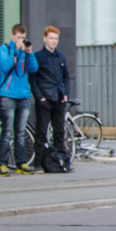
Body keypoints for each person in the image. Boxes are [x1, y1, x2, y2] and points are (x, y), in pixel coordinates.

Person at [0, 24, 38, 176]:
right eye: (18, 37)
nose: (21, 40)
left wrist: (29, 53)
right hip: (8, 96)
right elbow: (6, 66)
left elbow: (33, 69)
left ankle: (21, 163)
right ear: (13, 36)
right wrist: (17, 51)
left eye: (23, 38)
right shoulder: (5, 49)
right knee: (7, 131)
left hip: (23, 96)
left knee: (20, 132)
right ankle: (2, 164)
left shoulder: (25, 52)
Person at [34, 25, 71, 163]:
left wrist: (66, 93)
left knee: (59, 132)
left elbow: (66, 76)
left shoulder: (60, 56)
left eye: (56, 39)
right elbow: (34, 79)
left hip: (59, 98)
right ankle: (38, 162)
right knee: (41, 131)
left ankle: (61, 160)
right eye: (51, 38)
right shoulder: (38, 57)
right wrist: (40, 98)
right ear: (45, 39)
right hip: (45, 99)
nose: (54, 41)